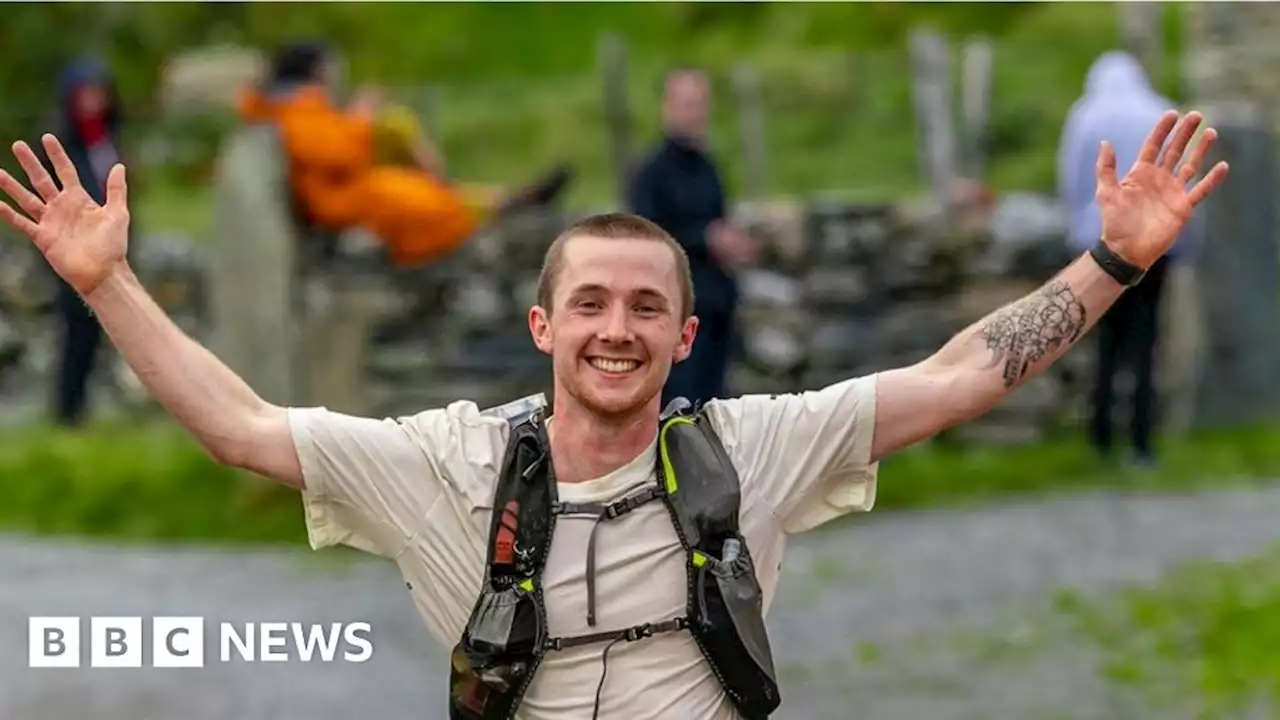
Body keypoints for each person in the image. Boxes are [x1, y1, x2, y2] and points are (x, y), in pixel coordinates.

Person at [0, 109, 1226, 717]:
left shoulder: (750, 450)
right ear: (542, 328)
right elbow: (244, 430)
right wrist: (107, 284)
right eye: (587, 303)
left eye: (645, 308)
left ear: (684, 338)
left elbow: (962, 373)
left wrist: (1110, 264)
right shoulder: (448, 465)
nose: (615, 329)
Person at [238, 40, 573, 268]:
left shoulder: (292, 106)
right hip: (340, 202)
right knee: (427, 201)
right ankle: (503, 203)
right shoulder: (293, 109)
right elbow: (334, 153)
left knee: (420, 179)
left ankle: (502, 201)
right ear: (313, 71)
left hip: (349, 191)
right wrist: (362, 117)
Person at [1058, 50, 1205, 467]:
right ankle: (1142, 442)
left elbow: (1071, 180)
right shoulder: (1161, 111)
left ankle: (1101, 438)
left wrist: (1076, 228)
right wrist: (1187, 243)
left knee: (1106, 340)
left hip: (1100, 242)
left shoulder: (1085, 114)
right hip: (1156, 246)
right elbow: (1183, 180)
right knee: (1145, 340)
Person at [630, 68, 757, 408]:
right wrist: (706, 238)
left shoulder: (708, 166)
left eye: (700, 104)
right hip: (677, 309)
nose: (695, 113)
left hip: (716, 304)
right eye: (687, 104)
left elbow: (718, 219)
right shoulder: (652, 173)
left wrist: (732, 244)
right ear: (667, 108)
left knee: (714, 405)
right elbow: (646, 237)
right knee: (681, 407)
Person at [40, 57, 126, 426]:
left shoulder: (107, 140)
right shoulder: (60, 145)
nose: (94, 100)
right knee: (75, 333)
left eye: (99, 92)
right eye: (86, 93)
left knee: (102, 335)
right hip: (72, 254)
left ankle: (85, 409)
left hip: (110, 252)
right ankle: (67, 412)